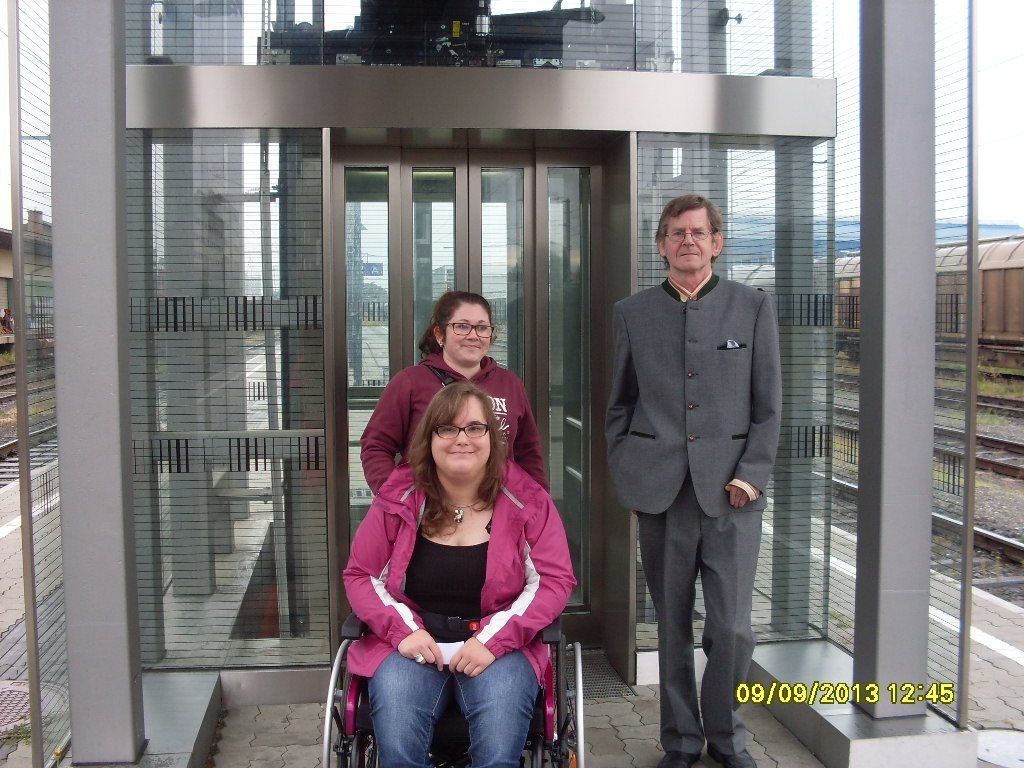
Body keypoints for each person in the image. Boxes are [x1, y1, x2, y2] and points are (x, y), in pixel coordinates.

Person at [605, 195, 782, 768]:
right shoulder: (632, 312)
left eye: (699, 232)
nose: (689, 241)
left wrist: (752, 475)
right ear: (661, 245)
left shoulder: (752, 307)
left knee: (731, 630)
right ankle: (680, 742)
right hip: (662, 497)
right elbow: (619, 406)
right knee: (673, 627)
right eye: (677, 232)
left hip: (733, 497)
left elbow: (769, 406)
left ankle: (727, 738)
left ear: (717, 242)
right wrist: (630, 473)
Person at [344, 381, 576, 768]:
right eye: (447, 428)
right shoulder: (400, 496)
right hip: (413, 643)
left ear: (492, 437)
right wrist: (405, 633)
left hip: (499, 646)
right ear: (429, 438)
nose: (461, 439)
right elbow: (361, 575)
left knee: (499, 756)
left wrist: (491, 641)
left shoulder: (527, 500)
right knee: (398, 753)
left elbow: (554, 582)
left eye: (474, 428)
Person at [360, 290, 547, 494]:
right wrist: (397, 499)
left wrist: (539, 507)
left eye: (482, 328)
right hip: (429, 513)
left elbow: (528, 453)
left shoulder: (510, 383)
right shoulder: (410, 382)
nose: (473, 335)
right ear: (440, 334)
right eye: (462, 326)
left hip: (498, 511)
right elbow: (376, 446)